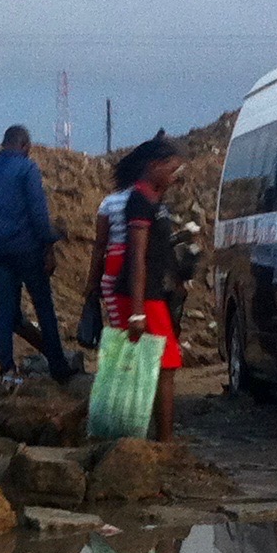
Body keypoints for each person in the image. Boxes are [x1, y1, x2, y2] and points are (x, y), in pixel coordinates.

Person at [0, 124, 73, 386]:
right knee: (43, 307)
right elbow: (38, 215)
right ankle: (58, 367)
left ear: (4, 144)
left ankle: (7, 368)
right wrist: (49, 245)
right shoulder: (28, 169)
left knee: (5, 309)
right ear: (25, 146)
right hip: (28, 250)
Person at [100, 134, 188, 442]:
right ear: (154, 166)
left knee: (155, 364)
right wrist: (137, 311)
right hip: (140, 295)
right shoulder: (139, 200)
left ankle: (157, 437)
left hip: (151, 294)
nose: (178, 174)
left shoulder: (155, 199)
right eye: (173, 168)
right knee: (166, 363)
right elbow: (136, 257)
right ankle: (163, 442)